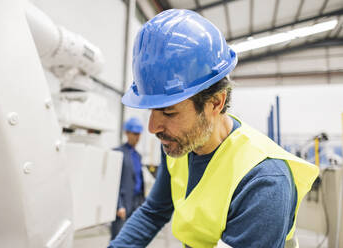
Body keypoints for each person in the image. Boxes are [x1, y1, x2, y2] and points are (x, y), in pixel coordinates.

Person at [109, 9, 319, 248]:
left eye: (169, 112)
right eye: (151, 111)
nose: (153, 127)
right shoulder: (178, 142)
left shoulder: (263, 181)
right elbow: (153, 211)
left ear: (215, 103)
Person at [110, 117, 145, 240]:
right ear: (127, 133)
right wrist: (118, 205)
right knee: (119, 239)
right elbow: (112, 183)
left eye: (139, 134)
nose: (137, 137)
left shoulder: (138, 156)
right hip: (123, 204)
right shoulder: (117, 153)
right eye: (135, 134)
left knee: (133, 239)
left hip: (136, 204)